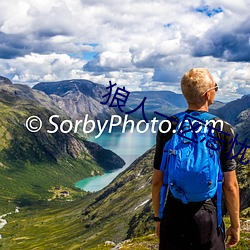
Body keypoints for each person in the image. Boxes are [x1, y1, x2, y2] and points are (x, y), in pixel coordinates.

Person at [152, 68, 240, 250]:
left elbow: (157, 181)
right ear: (208, 94)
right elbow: (230, 186)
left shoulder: (168, 126)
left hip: (174, 212)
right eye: (216, 87)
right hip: (207, 215)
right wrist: (235, 226)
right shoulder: (223, 129)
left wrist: (158, 218)